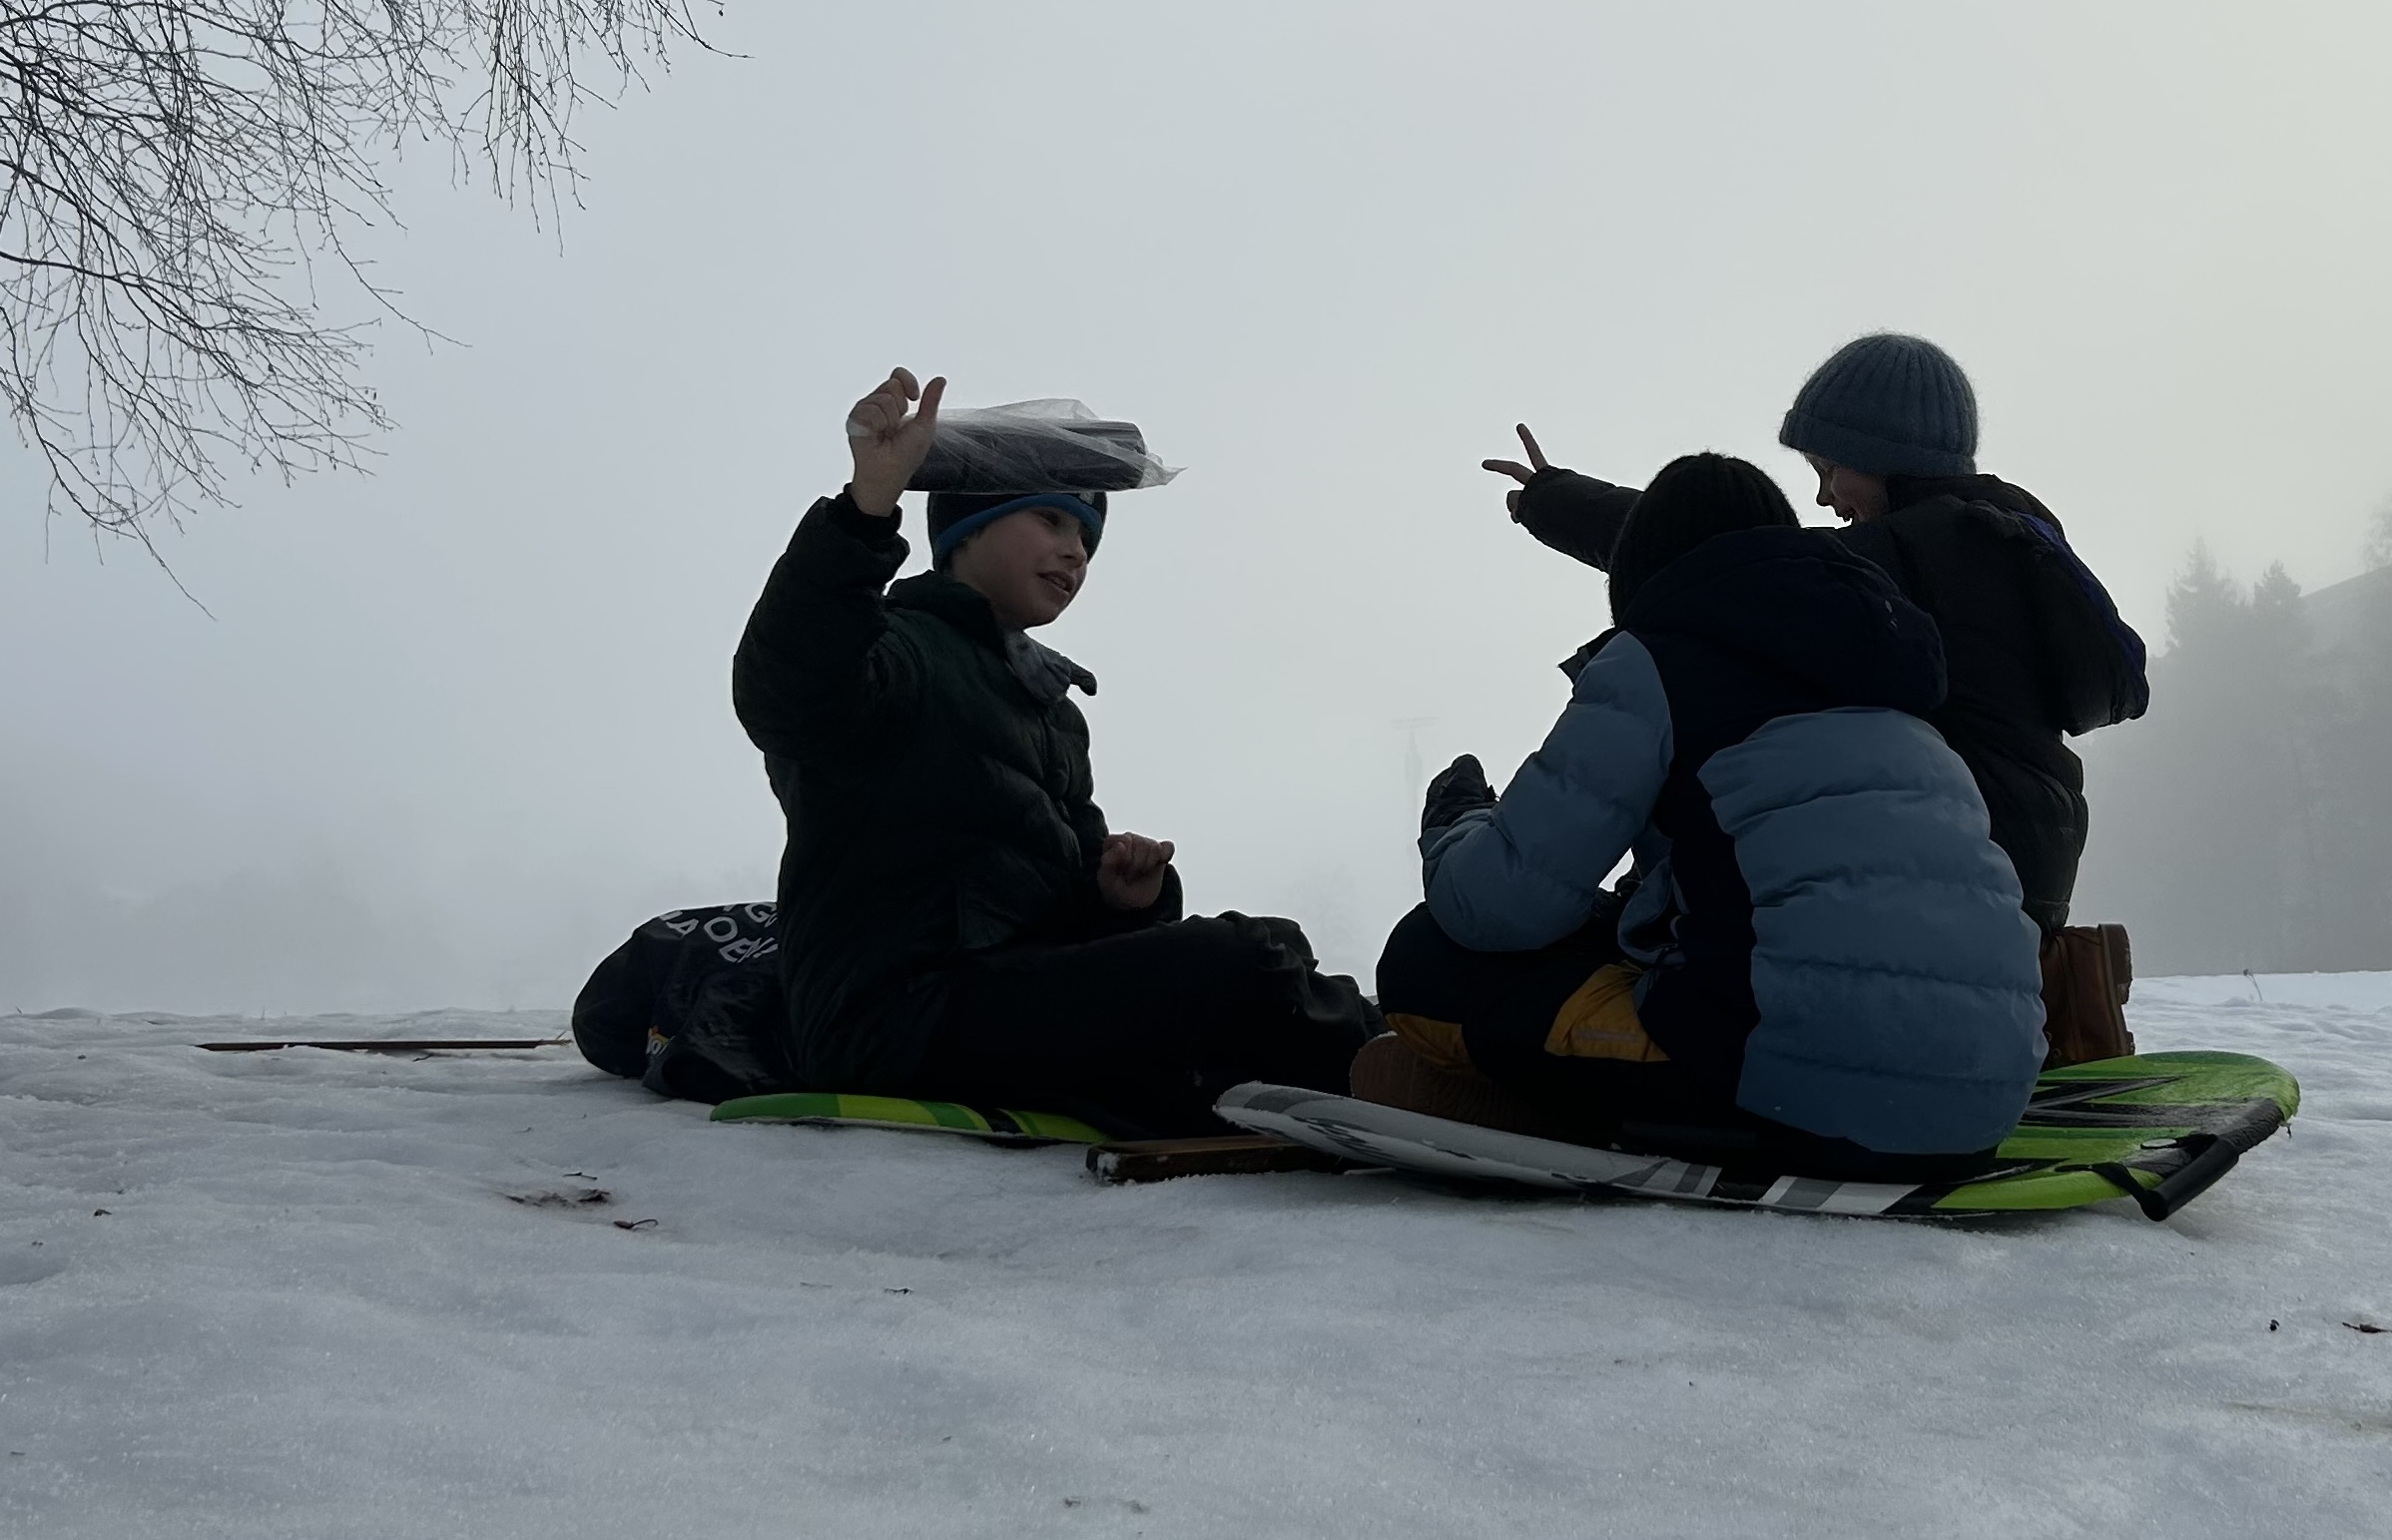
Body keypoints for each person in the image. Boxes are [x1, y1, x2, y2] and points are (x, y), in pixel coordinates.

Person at [694, 366, 1374, 1138]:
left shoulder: (1046, 707)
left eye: (1086, 536)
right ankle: (1398, 1065)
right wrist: (866, 506)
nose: (1075, 552)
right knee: (1248, 962)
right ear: (969, 527)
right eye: (1052, 521)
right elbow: (786, 690)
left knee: (1265, 959)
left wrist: (1123, 898)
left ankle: (1413, 1062)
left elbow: (1059, 923)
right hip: (896, 1016)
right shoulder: (898, 650)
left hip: (994, 1000)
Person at [1370, 454, 2045, 1177]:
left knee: (1424, 957)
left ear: (1642, 572)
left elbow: (1501, 904)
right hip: (1985, 1098)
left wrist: (1455, 818)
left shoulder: (1655, 663)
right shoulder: (1893, 682)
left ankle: (1562, 1107)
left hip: (1800, 1099)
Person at [1482, 332, 2147, 936]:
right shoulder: (2014, 540)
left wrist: (1553, 500)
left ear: (1884, 455)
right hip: (2034, 876)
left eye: (1830, 470)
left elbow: (1725, 554)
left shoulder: (1914, 553)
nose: (1826, 498)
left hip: (1956, 873)